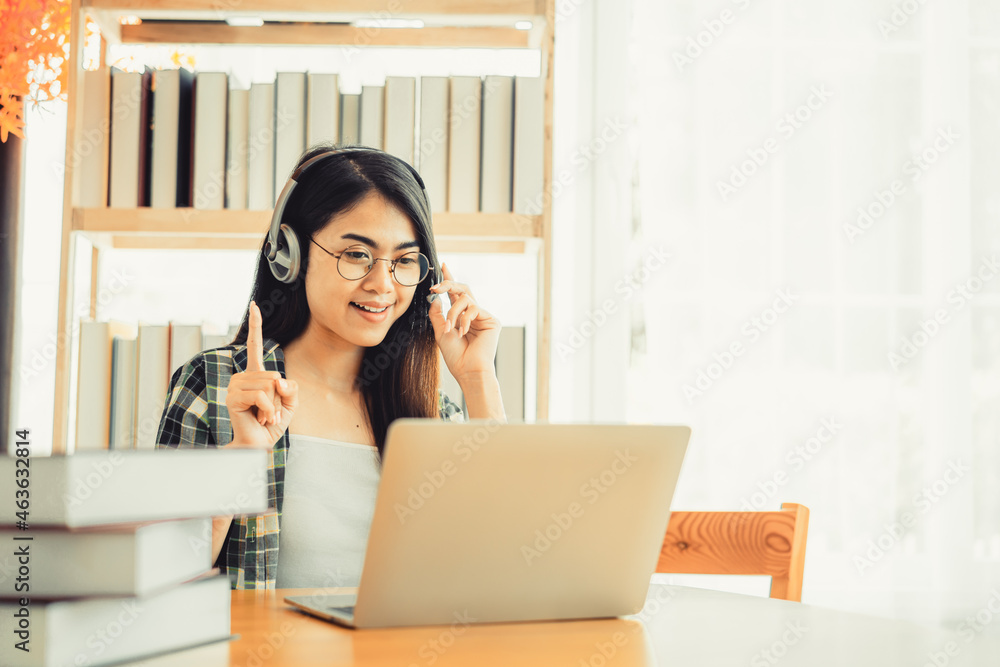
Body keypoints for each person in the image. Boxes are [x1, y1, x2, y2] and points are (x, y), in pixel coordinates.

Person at [155, 146, 506, 590]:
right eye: (357, 254)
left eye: (403, 261)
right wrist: (242, 458)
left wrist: (478, 380)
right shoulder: (218, 384)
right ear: (290, 254)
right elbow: (160, 573)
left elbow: (505, 565)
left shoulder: (433, 412)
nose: (382, 285)